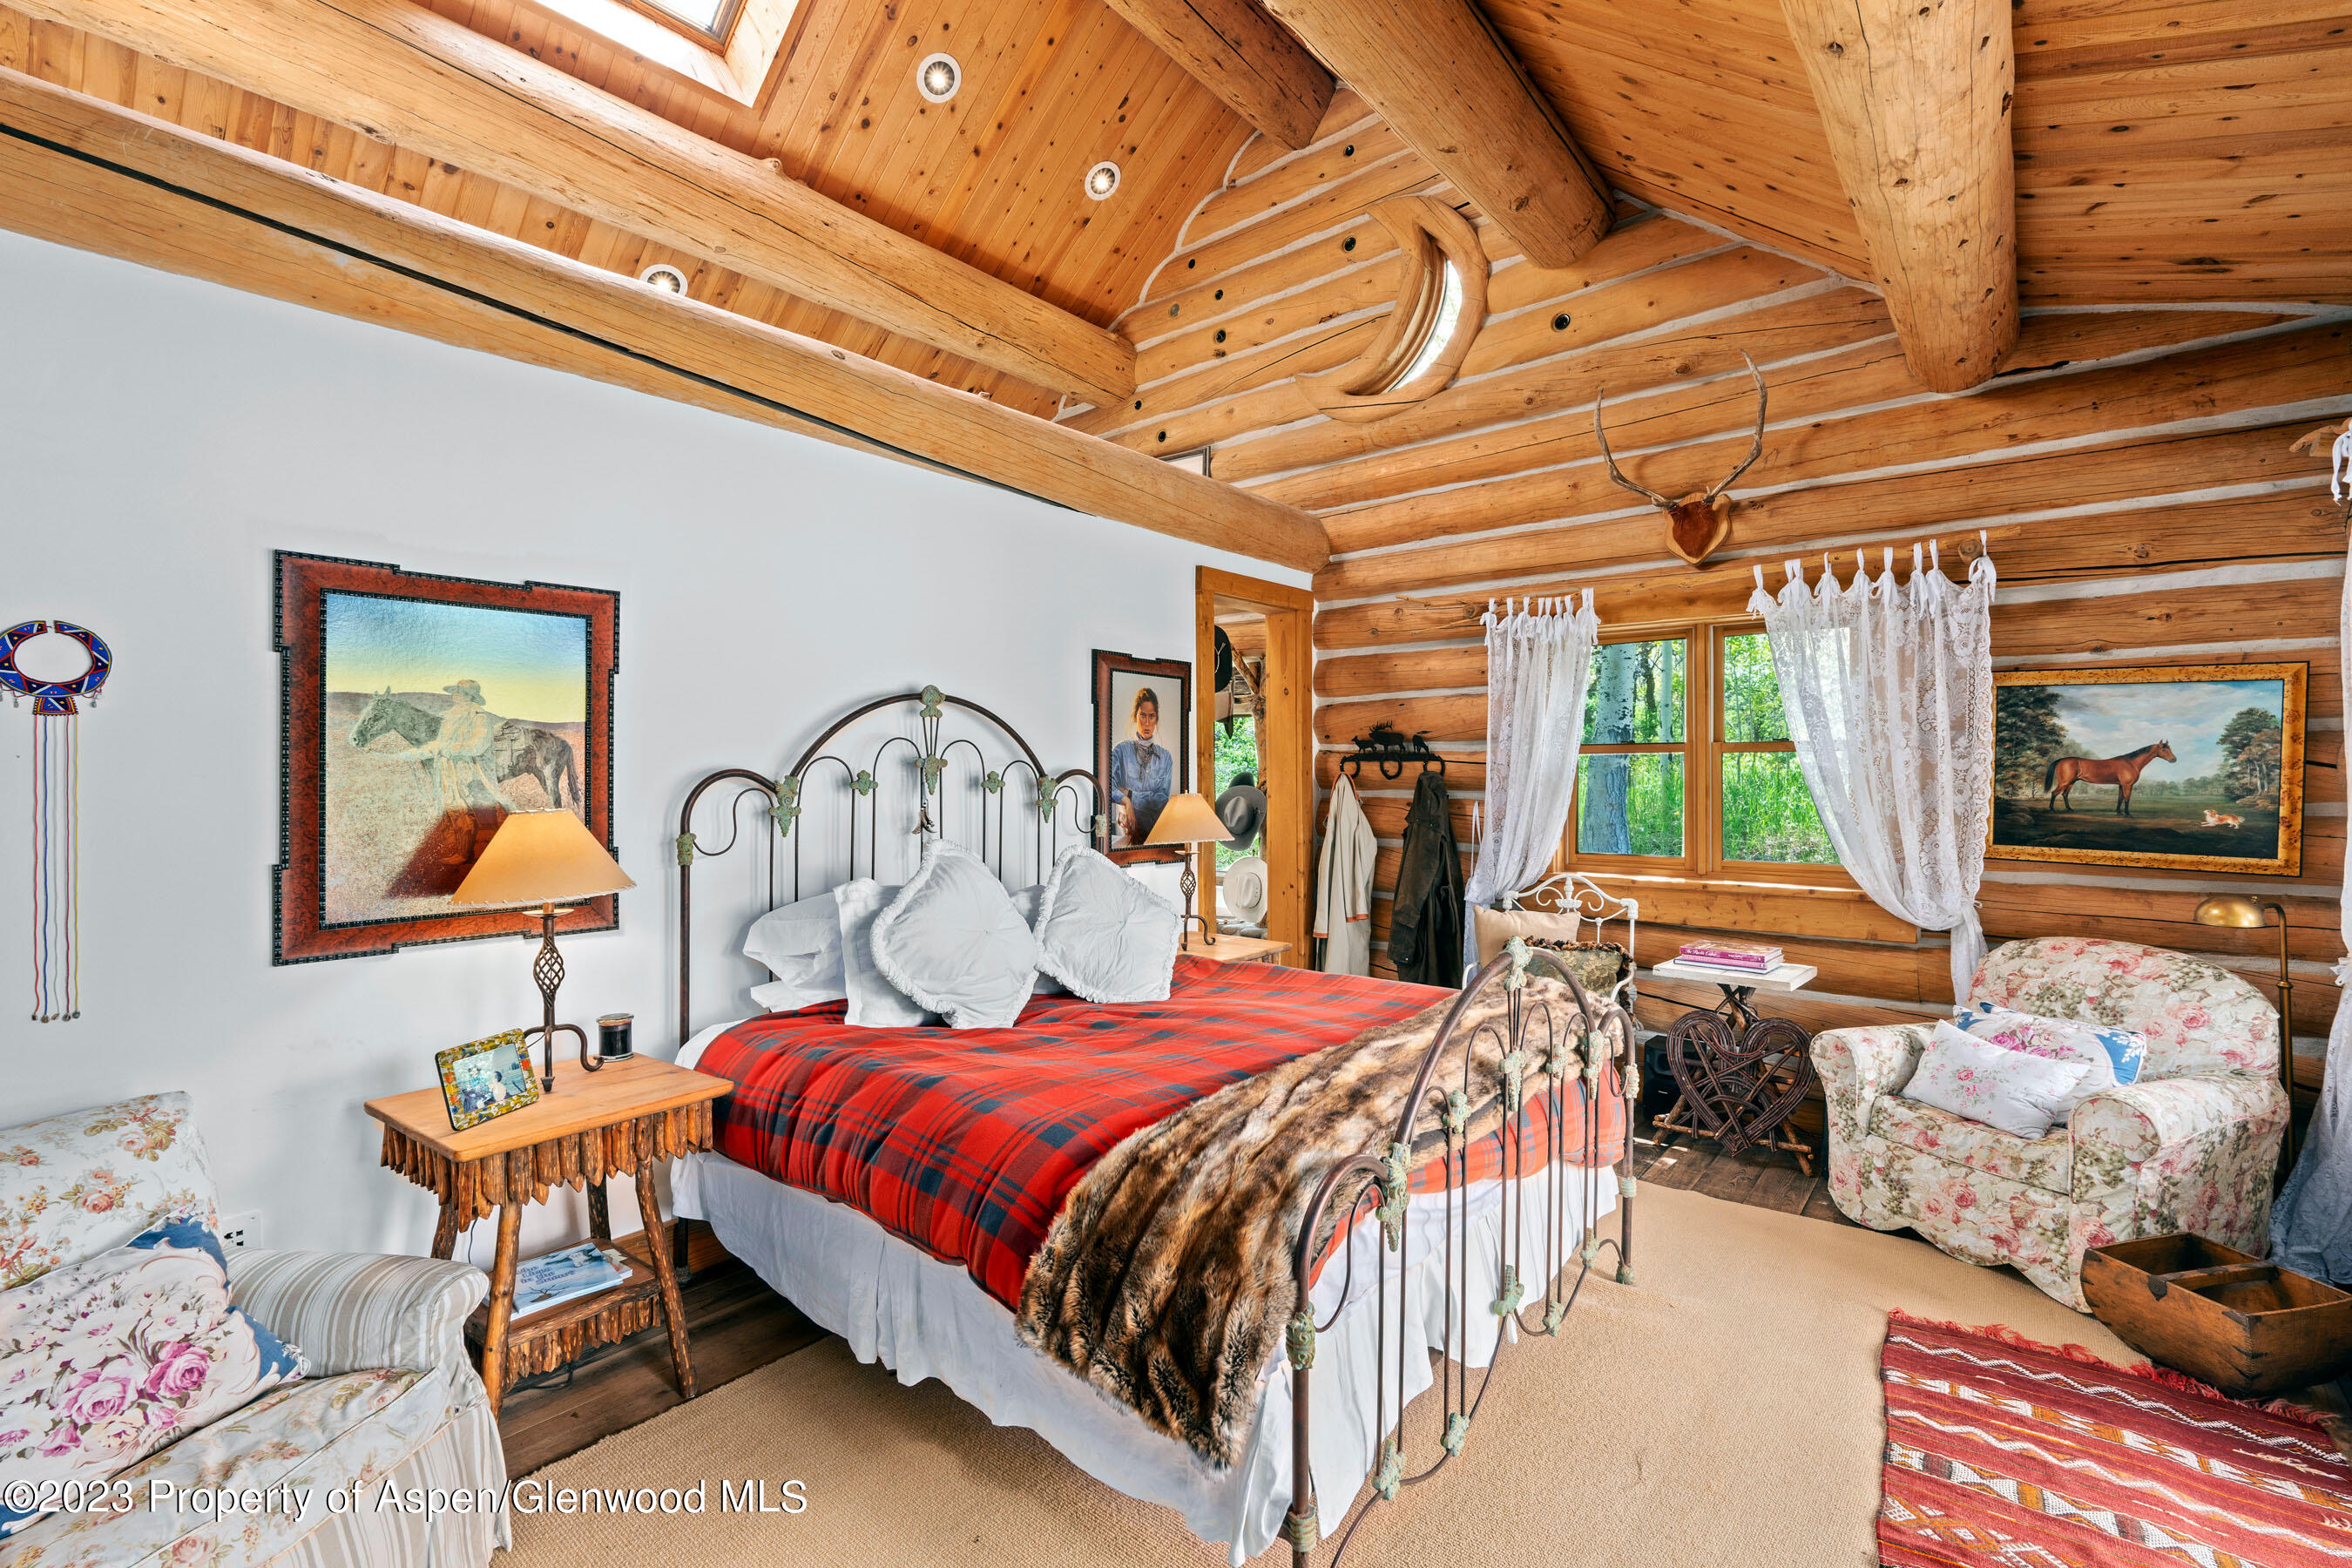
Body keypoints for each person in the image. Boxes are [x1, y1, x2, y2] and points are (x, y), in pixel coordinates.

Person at [1108, 686, 1174, 845]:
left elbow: (1162, 801)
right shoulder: (1120, 751)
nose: (1146, 722)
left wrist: (1130, 795)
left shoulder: (1165, 758)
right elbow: (1105, 785)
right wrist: (1125, 801)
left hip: (1157, 838)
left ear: (1156, 719)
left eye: (1151, 716)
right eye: (1142, 715)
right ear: (1135, 716)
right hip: (1127, 837)